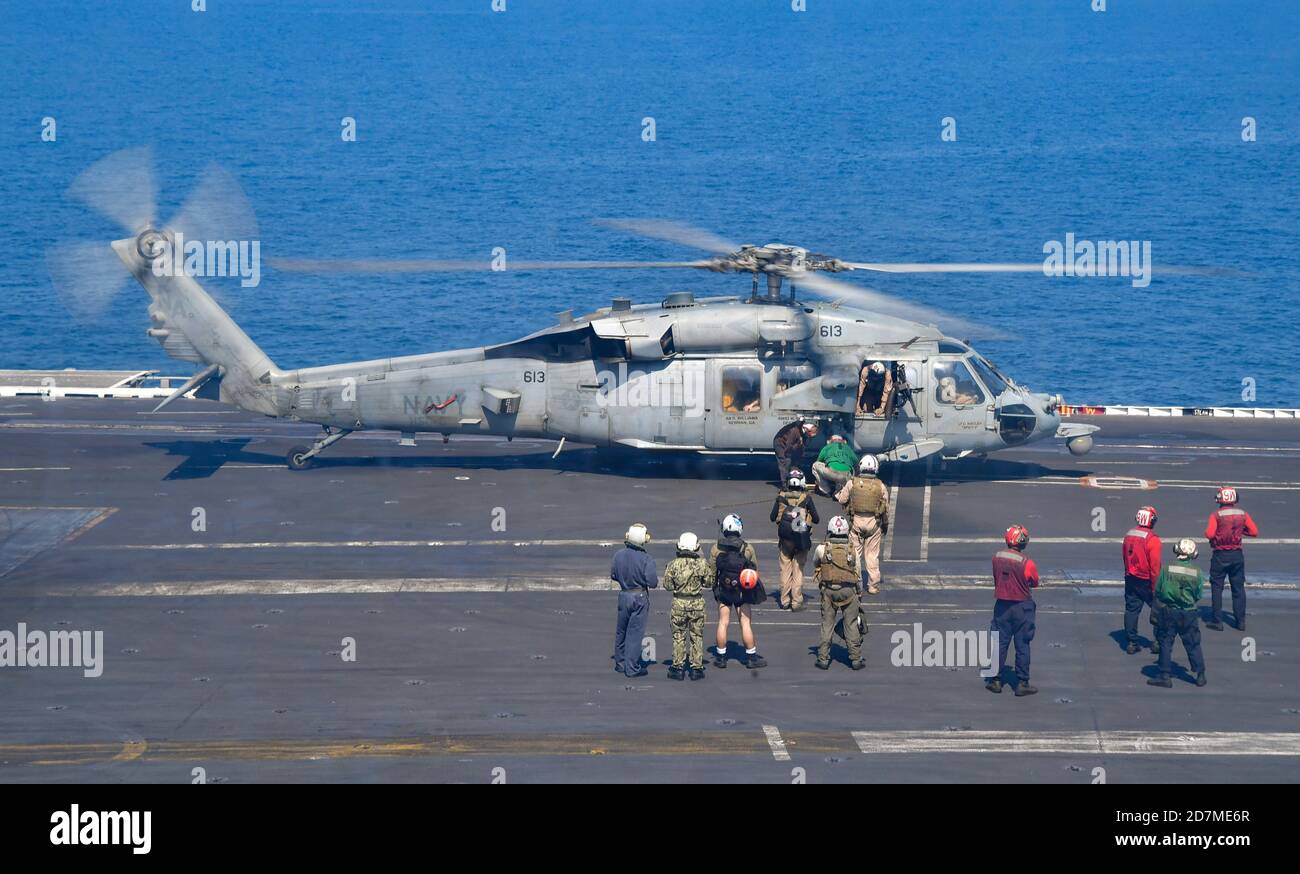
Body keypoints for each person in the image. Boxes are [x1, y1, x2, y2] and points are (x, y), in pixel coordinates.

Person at [985, 524, 1039, 697]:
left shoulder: (996, 557)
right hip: (1022, 607)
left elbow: (997, 577)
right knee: (1022, 644)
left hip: (1002, 606)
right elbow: (1034, 581)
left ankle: (995, 680)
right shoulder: (1027, 562)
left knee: (1000, 643)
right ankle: (1022, 682)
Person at [709, 514, 766, 668]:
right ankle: (751, 657)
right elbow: (754, 571)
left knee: (723, 622)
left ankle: (721, 658)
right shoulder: (747, 548)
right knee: (745, 623)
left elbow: (712, 572)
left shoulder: (716, 548)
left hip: (724, 589)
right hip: (742, 591)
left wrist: (715, 588)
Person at [1148, 538, 1207, 688]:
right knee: (1193, 643)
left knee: (1165, 642)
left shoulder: (1166, 569)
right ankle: (1200, 675)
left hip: (1169, 612)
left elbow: (1159, 591)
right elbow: (1199, 595)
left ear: (1176, 550)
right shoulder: (1197, 572)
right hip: (1189, 613)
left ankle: (1164, 676)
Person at [813, 516, 865, 670]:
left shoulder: (822, 548)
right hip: (849, 592)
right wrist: (860, 593)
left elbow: (816, 563)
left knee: (827, 624)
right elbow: (858, 575)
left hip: (828, 591)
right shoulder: (853, 550)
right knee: (851, 624)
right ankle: (855, 659)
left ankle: (823, 658)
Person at [1204, 486, 1259, 631]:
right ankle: (1240, 622)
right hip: (1237, 555)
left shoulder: (1216, 515)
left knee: (1217, 588)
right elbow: (1254, 532)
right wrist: (1241, 531)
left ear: (1220, 498)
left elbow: (1209, 534)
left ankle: (1217, 621)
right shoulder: (1242, 514)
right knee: (1238, 589)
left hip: (1220, 555)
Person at [835, 454, 888, 595]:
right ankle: (873, 586)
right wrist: (885, 526)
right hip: (874, 524)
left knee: (855, 555)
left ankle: (855, 585)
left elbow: (841, 500)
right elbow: (885, 508)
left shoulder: (852, 483)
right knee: (872, 556)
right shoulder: (880, 486)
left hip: (856, 523)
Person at [662, 532, 712, 681]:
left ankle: (678, 667)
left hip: (679, 603)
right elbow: (709, 583)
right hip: (696, 603)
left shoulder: (673, 564)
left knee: (678, 636)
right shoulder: (702, 564)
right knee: (696, 635)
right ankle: (696, 668)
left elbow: (667, 586)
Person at [610, 522, 658, 677]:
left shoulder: (618, 555)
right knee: (635, 633)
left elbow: (614, 575)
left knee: (621, 630)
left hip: (624, 595)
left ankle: (620, 663)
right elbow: (653, 582)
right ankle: (632, 667)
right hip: (639, 596)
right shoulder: (646, 559)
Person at [770, 468, 819, 610]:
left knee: (785, 570)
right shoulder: (807, 498)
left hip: (785, 541)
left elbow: (772, 517)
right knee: (798, 571)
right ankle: (796, 601)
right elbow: (816, 519)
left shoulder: (781, 496)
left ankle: (784, 601)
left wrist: (780, 502)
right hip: (801, 541)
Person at [1121, 505, 1162, 655]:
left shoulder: (1129, 535)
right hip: (1147, 580)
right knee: (1158, 610)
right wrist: (1155, 586)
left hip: (1131, 578)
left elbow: (1125, 557)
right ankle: (1158, 642)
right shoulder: (1153, 539)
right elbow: (1155, 566)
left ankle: (1132, 642)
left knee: (1131, 610)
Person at [772, 419, 818, 486]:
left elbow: (803, 446)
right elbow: (788, 446)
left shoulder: (803, 432)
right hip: (780, 443)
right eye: (810, 434)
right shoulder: (794, 431)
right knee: (784, 461)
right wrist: (789, 456)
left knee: (794, 460)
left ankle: (793, 477)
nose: (810, 437)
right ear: (807, 430)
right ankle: (784, 483)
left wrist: (799, 454)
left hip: (792, 443)